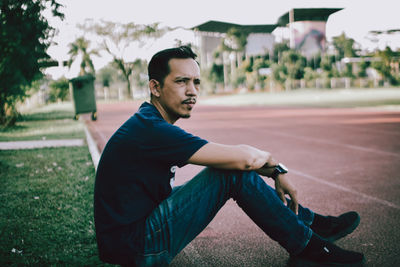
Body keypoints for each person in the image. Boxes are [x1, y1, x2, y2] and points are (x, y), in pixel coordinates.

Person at [94, 46, 364, 267]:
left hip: (133, 236)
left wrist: (271, 169)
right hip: (138, 245)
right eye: (181, 81)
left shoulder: (147, 122)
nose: (192, 91)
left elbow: (236, 158)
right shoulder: (151, 129)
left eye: (196, 82)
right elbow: (241, 159)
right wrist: (276, 169)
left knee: (231, 169)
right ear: (155, 87)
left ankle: (307, 223)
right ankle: (309, 247)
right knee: (231, 173)